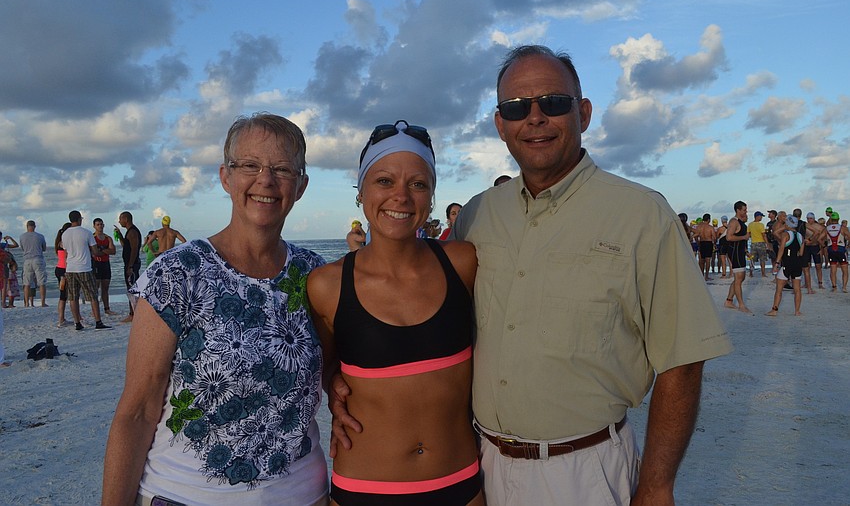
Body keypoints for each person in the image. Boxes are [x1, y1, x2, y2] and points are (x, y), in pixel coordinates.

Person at [331, 46, 732, 506]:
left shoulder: (641, 214)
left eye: (554, 103)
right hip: (480, 466)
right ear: (501, 125)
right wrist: (336, 383)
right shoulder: (479, 214)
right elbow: (418, 312)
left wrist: (658, 485)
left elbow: (683, 360)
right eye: (517, 108)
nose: (535, 118)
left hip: (585, 469)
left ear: (582, 112)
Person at [102, 113, 329, 506]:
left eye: (282, 169)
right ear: (226, 176)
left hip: (303, 496)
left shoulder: (317, 276)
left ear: (301, 185)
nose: (266, 180)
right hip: (183, 496)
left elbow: (343, 379)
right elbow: (137, 411)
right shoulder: (176, 273)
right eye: (250, 166)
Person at [310, 121, 482, 506]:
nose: (401, 197)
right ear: (361, 192)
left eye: (418, 184)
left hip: (462, 483)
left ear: (432, 195)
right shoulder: (327, 286)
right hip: (365, 489)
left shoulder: (463, 263)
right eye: (384, 181)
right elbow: (327, 367)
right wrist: (331, 389)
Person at [62, 211, 112, 331]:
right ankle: (98, 321)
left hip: (70, 268)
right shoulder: (86, 233)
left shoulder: (65, 234)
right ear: (79, 219)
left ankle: (77, 322)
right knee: (93, 295)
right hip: (84, 267)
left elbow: (66, 252)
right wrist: (104, 252)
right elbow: (95, 251)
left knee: (73, 296)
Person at [767, 213, 804, 317]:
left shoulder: (785, 235)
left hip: (787, 264)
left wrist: (777, 263)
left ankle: (774, 310)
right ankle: (797, 311)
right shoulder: (801, 236)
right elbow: (801, 253)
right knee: (797, 289)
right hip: (797, 264)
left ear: (788, 224)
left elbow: (781, 249)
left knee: (779, 289)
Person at [114, 212, 142, 323]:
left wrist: (130, 266)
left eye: (120, 219)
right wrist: (120, 235)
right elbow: (126, 246)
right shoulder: (128, 233)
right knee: (130, 289)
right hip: (129, 264)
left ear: (126, 219)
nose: (119, 221)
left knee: (132, 289)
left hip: (132, 264)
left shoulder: (133, 232)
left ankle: (133, 314)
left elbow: (134, 249)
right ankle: (133, 313)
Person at [725, 201, 752, 314]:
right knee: (739, 279)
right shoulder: (733, 222)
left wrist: (746, 251)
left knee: (740, 278)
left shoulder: (741, 222)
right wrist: (744, 237)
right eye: (744, 210)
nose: (746, 211)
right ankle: (741, 304)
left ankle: (729, 301)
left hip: (740, 251)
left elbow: (742, 239)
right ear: (738, 210)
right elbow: (729, 237)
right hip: (734, 252)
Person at [91, 218, 118, 315]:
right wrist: (105, 251)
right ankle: (95, 310)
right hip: (96, 264)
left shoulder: (108, 238)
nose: (100, 226)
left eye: (101, 224)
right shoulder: (92, 238)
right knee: (96, 288)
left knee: (105, 287)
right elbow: (93, 252)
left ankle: (107, 308)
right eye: (98, 224)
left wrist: (101, 251)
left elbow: (113, 251)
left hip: (105, 264)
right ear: (94, 226)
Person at [19, 220, 49, 307]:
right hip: (38, 258)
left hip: (27, 259)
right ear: (34, 226)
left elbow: (23, 248)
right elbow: (44, 248)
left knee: (27, 282)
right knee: (42, 282)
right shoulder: (40, 236)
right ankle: (42, 302)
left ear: (27, 226)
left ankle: (26, 303)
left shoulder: (22, 236)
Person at [825, 211, 850, 292]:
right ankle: (844, 287)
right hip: (841, 250)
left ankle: (834, 287)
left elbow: (819, 238)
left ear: (831, 220)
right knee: (845, 270)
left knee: (833, 269)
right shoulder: (843, 228)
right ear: (838, 219)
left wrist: (824, 245)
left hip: (831, 250)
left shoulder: (827, 228)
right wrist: (848, 245)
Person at [803, 212, 826, 292]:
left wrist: (821, 249)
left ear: (814, 218)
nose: (809, 220)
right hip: (807, 247)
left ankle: (820, 283)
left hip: (815, 247)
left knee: (818, 266)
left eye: (811, 218)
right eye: (808, 218)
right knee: (806, 266)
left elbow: (822, 239)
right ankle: (807, 283)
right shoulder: (805, 226)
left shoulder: (819, 227)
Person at [55, 223, 72, 328]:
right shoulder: (64, 243)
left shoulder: (59, 242)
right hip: (64, 270)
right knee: (64, 295)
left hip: (60, 269)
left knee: (64, 295)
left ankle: (62, 318)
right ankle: (61, 319)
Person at [694, 213, 716, 281]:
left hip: (702, 242)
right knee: (708, 259)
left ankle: (701, 275)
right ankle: (706, 276)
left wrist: (698, 242)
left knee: (701, 260)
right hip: (708, 243)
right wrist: (714, 243)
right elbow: (714, 237)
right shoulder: (710, 227)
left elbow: (696, 236)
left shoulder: (699, 227)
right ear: (709, 219)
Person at [748, 211, 769, 277]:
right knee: (762, 259)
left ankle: (751, 273)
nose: (761, 218)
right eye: (761, 216)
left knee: (752, 259)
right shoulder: (761, 225)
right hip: (761, 243)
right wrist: (767, 243)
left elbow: (748, 234)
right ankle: (763, 273)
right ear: (758, 216)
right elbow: (763, 235)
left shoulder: (750, 224)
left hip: (753, 243)